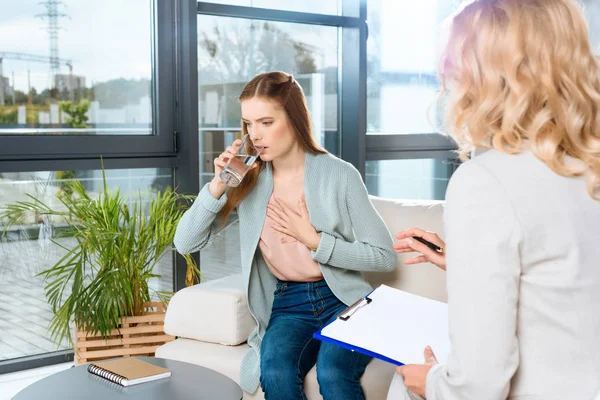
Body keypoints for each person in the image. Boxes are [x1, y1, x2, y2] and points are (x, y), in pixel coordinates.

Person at [387, 0, 600, 399]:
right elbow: (570, 285)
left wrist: (429, 381)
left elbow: (479, 386)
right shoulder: (587, 164)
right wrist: (465, 264)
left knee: (401, 386)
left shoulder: (486, 182)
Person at [174, 71, 396, 399]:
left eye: (266, 122)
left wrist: (316, 241)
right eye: (249, 124)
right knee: (275, 371)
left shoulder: (339, 174)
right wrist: (217, 185)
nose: (256, 135)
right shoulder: (249, 179)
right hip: (289, 303)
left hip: (344, 299)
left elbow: (384, 255)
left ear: (293, 119)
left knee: (333, 371)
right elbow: (185, 242)